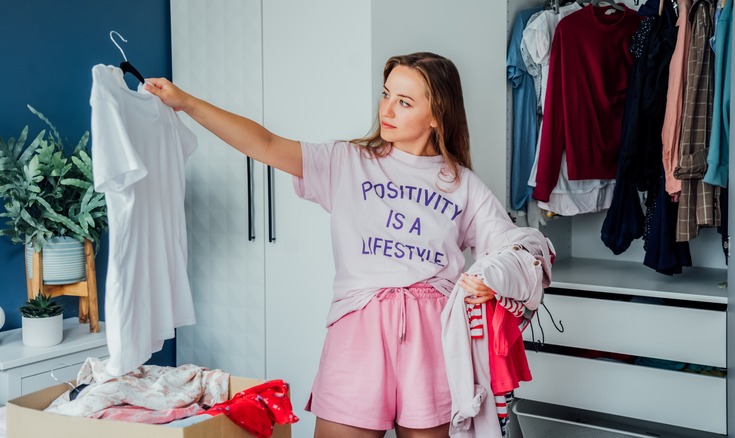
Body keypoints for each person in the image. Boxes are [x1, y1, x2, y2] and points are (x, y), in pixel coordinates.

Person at [144, 52, 518, 438]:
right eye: (386, 94)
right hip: (359, 330)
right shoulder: (347, 161)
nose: (386, 109)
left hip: (433, 337)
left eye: (404, 102)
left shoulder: (464, 185)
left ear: (437, 114)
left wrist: (493, 279)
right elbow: (266, 143)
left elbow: (513, 249)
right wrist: (186, 102)